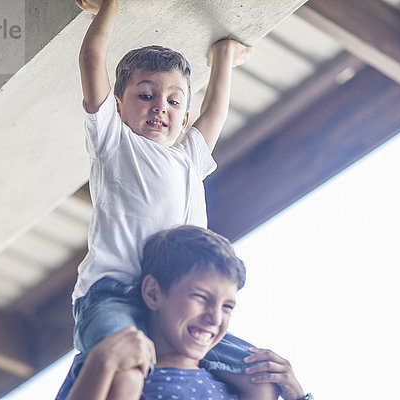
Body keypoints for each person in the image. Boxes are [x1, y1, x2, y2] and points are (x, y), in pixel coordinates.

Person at [57, 0, 257, 398]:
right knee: (129, 368)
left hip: (171, 301)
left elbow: (214, 112)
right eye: (145, 95)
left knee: (256, 369)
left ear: (184, 118)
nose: (158, 107)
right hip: (113, 292)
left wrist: (222, 57)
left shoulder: (188, 158)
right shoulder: (114, 141)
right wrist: (108, 7)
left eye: (173, 101)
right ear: (118, 105)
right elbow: (92, 57)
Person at [63, 226, 312, 400]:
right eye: (200, 297)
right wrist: (102, 363)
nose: (215, 318)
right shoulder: (116, 373)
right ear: (152, 293)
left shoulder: (250, 387)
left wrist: (297, 394)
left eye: (227, 306)